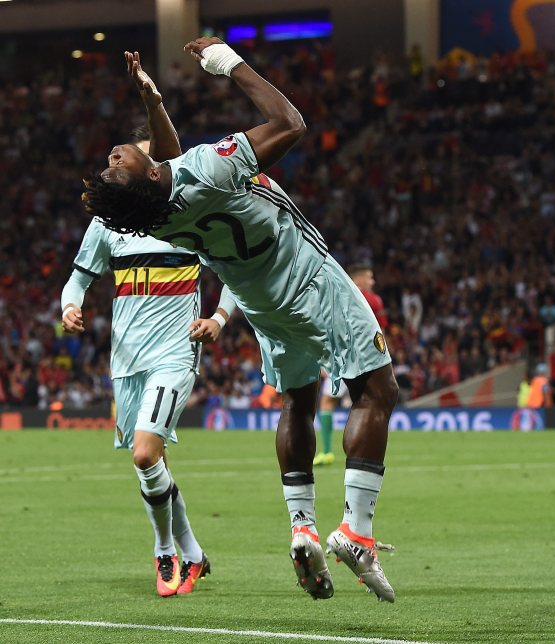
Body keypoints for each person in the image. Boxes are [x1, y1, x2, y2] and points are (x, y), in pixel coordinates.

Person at [82, 41, 399, 602]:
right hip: (306, 273)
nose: (112, 156)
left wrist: (154, 101)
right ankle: (356, 531)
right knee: (375, 389)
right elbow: (290, 124)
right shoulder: (208, 167)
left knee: (298, 399)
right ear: (146, 179)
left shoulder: (157, 216)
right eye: (116, 166)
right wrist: (227, 62)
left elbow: (168, 165)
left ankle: (302, 527)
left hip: (258, 301)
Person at [62, 118, 234, 596]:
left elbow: (234, 275)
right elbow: (78, 279)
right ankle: (195, 553)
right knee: (151, 460)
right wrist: (70, 306)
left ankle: (164, 552)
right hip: (126, 360)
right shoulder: (107, 223)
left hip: (175, 354)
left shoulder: (187, 215)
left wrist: (217, 319)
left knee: (143, 454)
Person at [313, 263, 387, 467]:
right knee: (365, 403)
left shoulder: (338, 294)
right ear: (359, 279)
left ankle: (328, 452)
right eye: (369, 278)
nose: (372, 282)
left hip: (345, 356)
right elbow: (381, 332)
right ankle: (367, 450)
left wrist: (326, 360)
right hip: (371, 357)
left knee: (328, 401)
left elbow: (329, 327)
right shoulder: (375, 301)